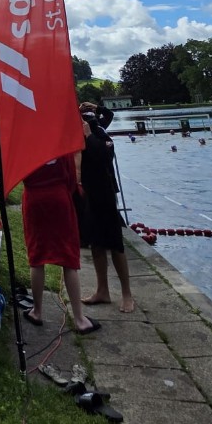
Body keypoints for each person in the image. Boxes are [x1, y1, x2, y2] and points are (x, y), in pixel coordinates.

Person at [20, 119, 98, 334]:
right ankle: (80, 318)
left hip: (34, 198)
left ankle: (37, 311)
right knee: (68, 257)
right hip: (59, 198)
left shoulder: (25, 144)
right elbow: (71, 176)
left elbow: (20, 174)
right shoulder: (59, 145)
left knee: (37, 255)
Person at [78, 104, 134, 313]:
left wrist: (89, 135)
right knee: (95, 244)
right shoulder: (79, 133)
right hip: (89, 194)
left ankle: (127, 293)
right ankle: (103, 290)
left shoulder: (98, 132)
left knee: (115, 244)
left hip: (106, 194)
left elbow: (105, 154)